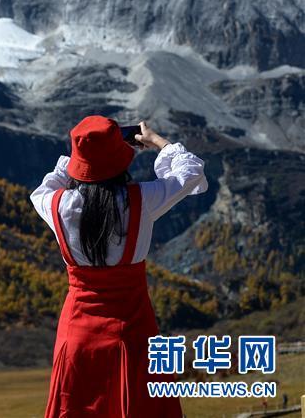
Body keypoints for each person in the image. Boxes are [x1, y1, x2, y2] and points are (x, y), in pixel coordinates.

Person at [30, 115, 209, 418]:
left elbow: (49, 183)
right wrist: (155, 141)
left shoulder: (55, 205)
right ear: (119, 162)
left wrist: (82, 154)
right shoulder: (141, 200)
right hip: (134, 331)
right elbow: (191, 172)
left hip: (77, 335)